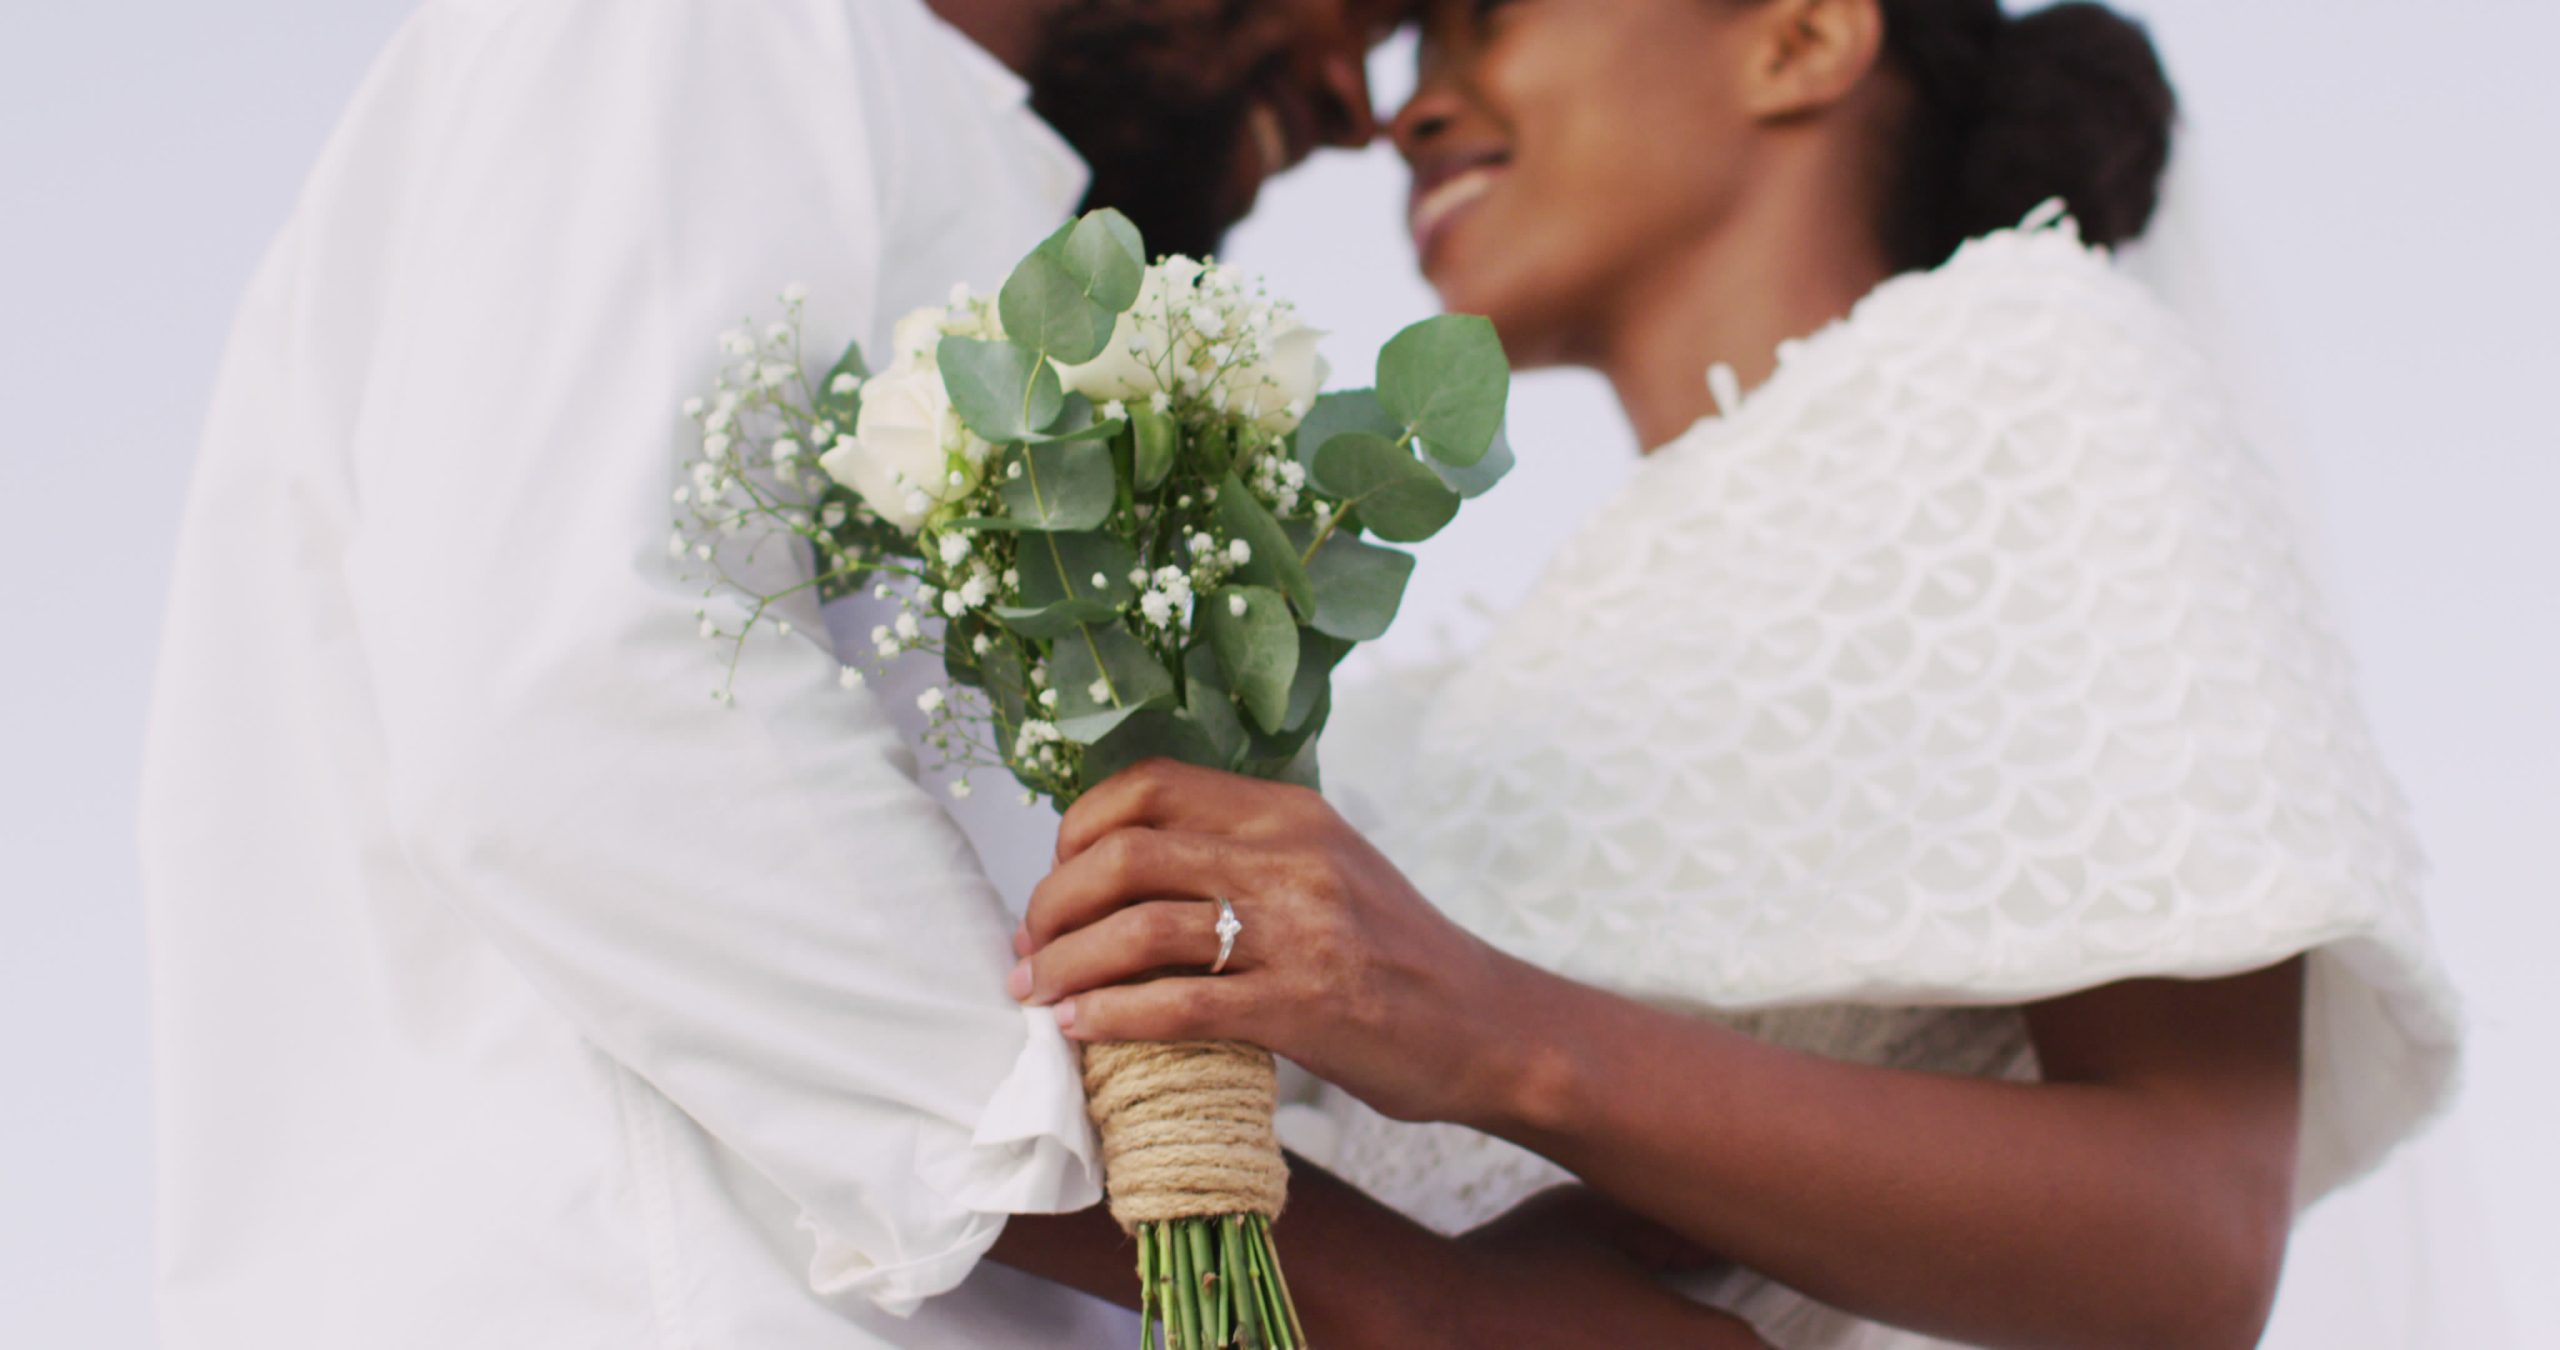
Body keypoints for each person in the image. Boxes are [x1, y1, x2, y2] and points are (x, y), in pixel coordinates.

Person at [145, 1, 1759, 1346]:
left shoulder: (929, 160)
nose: (1357, 100)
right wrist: (1407, 1299)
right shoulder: (717, 31)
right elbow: (580, 716)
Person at [1012, 1, 2466, 1346]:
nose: (1412, 111)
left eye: (1489, 18)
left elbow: (2193, 1236)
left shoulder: (2029, 378)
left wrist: (1491, 1029)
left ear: (1803, 36)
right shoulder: (1473, 694)